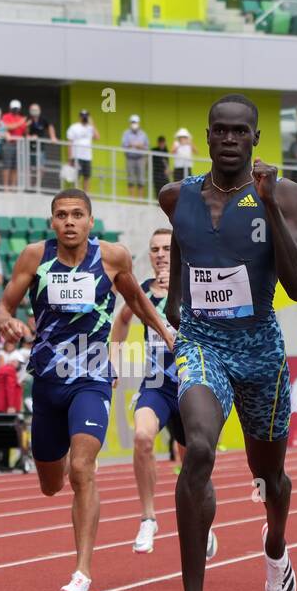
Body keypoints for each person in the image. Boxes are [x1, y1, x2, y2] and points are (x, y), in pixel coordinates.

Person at [154, 94, 297, 591]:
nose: (227, 139)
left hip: (261, 351)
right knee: (197, 448)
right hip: (202, 344)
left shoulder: (286, 193)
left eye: (238, 132)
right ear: (206, 136)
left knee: (270, 476)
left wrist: (269, 208)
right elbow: (182, 243)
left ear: (255, 138)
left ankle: (275, 545)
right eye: (218, 131)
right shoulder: (178, 196)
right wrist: (175, 301)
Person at [0, 188, 171, 591]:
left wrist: (164, 332)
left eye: (77, 215)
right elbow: (2, 309)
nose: (69, 222)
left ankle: (83, 572)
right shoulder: (35, 257)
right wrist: (7, 323)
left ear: (90, 221)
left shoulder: (112, 258)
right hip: (49, 382)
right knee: (51, 483)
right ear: (52, 223)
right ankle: (73, 530)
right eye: (61, 215)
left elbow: (136, 300)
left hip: (91, 377)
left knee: (82, 467)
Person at [109, 226, 216, 558]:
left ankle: (203, 520)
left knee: (193, 461)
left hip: (191, 386)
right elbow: (121, 324)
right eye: (154, 249)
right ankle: (148, 518)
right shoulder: (140, 291)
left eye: (167, 249)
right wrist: (112, 361)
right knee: (142, 437)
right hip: (156, 385)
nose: (159, 255)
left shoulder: (197, 287)